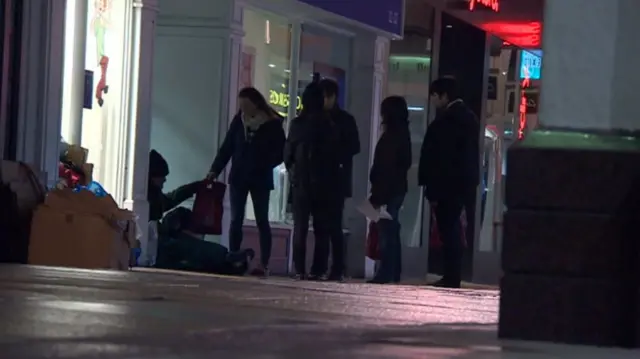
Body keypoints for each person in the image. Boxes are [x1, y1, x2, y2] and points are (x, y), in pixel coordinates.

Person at [208, 87, 286, 277]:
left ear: (256, 103)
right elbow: (227, 147)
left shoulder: (272, 124)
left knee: (262, 220)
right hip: (239, 177)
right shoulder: (239, 121)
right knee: (236, 219)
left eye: (246, 105)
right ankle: (235, 258)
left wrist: (265, 162)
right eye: (241, 105)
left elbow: (281, 152)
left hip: (260, 177)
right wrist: (214, 170)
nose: (243, 109)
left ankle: (264, 263)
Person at [418, 77, 480, 289]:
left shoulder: (447, 121)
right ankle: (452, 273)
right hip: (462, 185)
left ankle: (451, 275)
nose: (433, 100)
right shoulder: (468, 117)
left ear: (444, 95)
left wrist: (431, 186)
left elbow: (439, 158)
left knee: (449, 229)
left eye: (435, 96)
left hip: (447, 185)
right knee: (453, 228)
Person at [285, 81, 344, 281]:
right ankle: (318, 269)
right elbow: (336, 156)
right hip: (324, 183)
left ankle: (299, 268)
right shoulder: (329, 125)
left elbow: (288, 154)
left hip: (301, 181)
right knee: (322, 229)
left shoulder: (297, 124)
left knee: (300, 227)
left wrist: (294, 173)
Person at [318, 78, 360, 279]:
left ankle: (337, 267)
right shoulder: (316, 118)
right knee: (321, 225)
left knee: (334, 224)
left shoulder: (344, 120)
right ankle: (321, 266)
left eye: (326, 97)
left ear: (334, 97)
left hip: (336, 179)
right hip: (318, 179)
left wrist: (335, 151)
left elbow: (354, 147)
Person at [367, 96, 412, 284]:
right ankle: (392, 272)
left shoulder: (392, 136)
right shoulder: (402, 134)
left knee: (386, 231)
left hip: (386, 191)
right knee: (391, 230)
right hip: (394, 189)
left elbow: (385, 167)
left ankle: (386, 272)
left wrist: (377, 194)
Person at [146, 149, 201, 266]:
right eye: (162, 176)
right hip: (160, 243)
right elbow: (167, 201)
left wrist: (192, 188)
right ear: (153, 176)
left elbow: (169, 200)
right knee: (189, 248)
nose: (164, 179)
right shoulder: (148, 196)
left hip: (161, 239)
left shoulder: (154, 194)